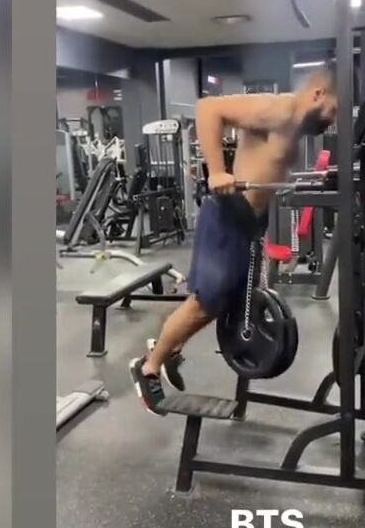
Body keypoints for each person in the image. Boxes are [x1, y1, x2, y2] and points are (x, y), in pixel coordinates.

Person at [130, 67, 337, 412]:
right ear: (318, 94)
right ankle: (147, 367)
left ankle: (170, 349)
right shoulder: (278, 109)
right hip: (228, 213)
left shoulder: (294, 126)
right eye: (333, 109)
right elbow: (208, 109)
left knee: (228, 302)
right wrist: (216, 171)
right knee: (204, 303)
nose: (332, 120)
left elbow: (268, 167)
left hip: (250, 222)